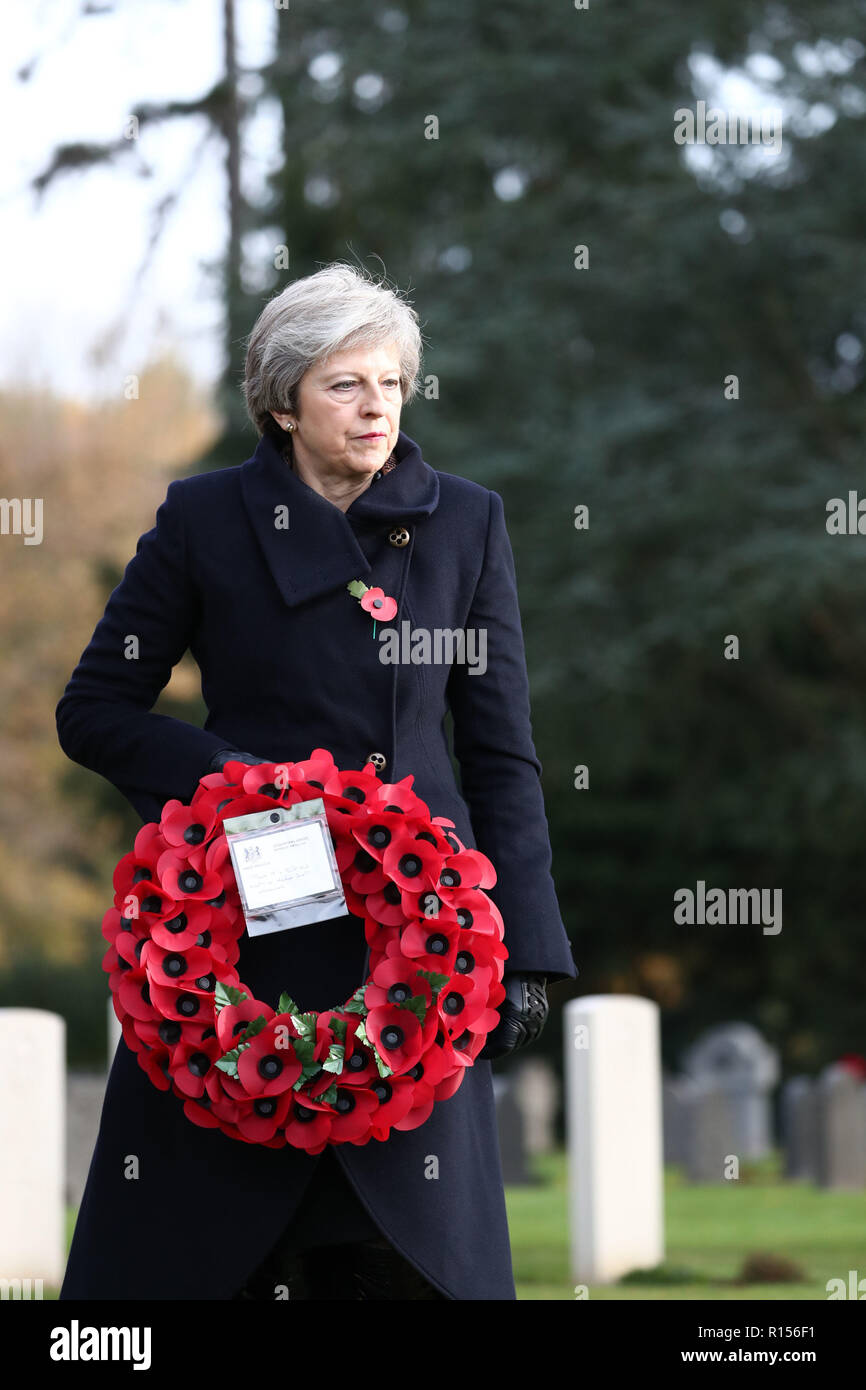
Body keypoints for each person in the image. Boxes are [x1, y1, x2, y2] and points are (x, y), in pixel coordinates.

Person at [56, 261, 577, 1301]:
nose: (375, 405)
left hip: (419, 943)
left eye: (389, 382)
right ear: (282, 400)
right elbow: (95, 710)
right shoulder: (204, 521)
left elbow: (500, 754)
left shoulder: (466, 524)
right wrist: (231, 786)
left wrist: (524, 945)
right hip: (242, 930)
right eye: (345, 384)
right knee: (207, 1253)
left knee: (403, 1259)